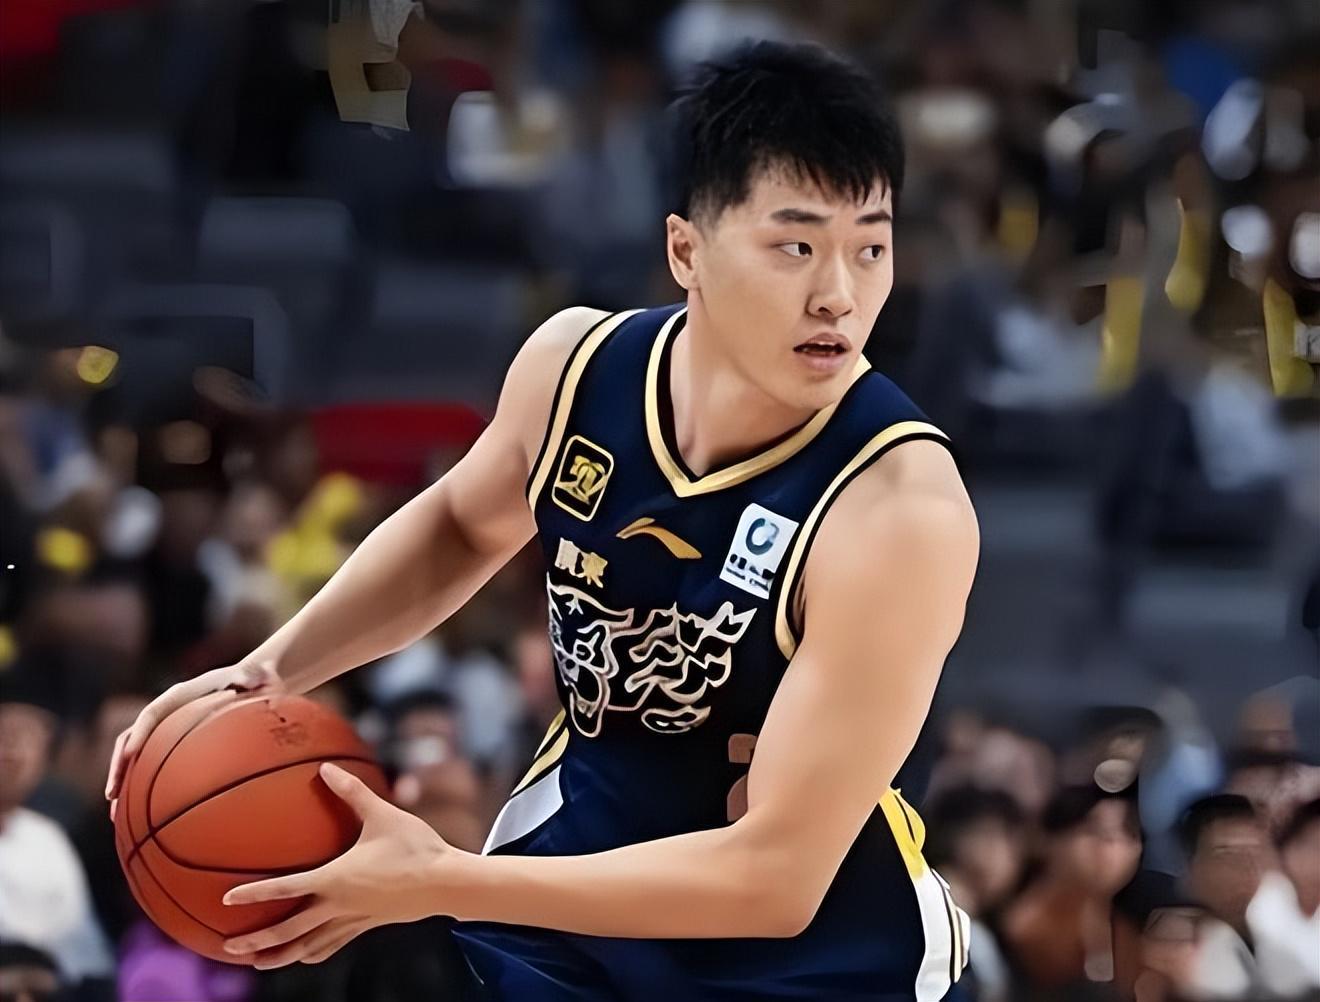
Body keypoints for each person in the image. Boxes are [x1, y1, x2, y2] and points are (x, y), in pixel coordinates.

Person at [106, 41, 979, 1001]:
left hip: (806, 963)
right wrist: (271, 671)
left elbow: (774, 879)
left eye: (870, 249)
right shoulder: (576, 368)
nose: (839, 295)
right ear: (686, 250)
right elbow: (461, 526)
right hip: (570, 897)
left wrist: (440, 879)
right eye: (797, 247)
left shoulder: (900, 511)